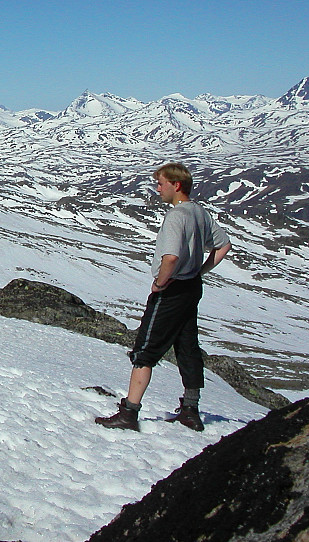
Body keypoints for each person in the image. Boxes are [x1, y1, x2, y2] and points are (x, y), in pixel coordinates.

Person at [96, 162, 231, 432]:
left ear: (175, 185)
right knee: (188, 346)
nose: (157, 188)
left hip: (172, 290)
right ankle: (190, 410)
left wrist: (160, 283)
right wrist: (200, 272)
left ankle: (129, 413)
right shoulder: (200, 213)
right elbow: (224, 245)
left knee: (145, 351)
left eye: (161, 183)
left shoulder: (176, 216)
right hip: (191, 288)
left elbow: (170, 257)